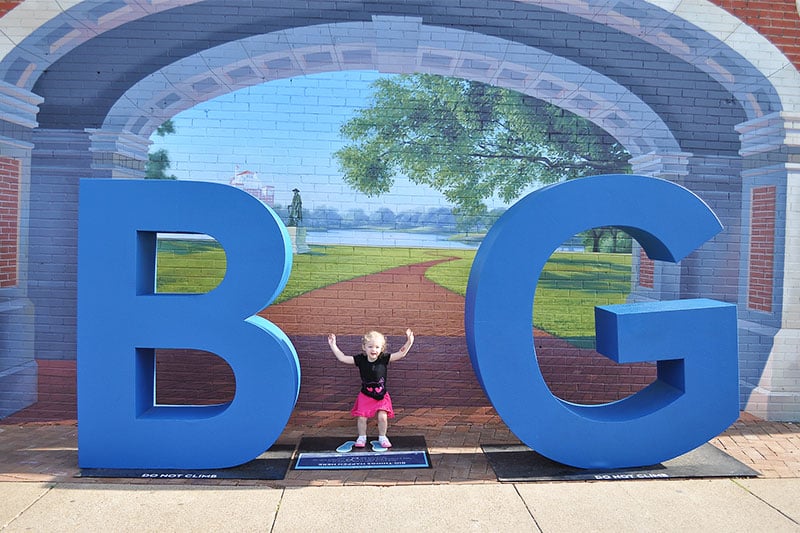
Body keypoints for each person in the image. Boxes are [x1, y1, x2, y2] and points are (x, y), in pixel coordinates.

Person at [328, 328, 414, 448]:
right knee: (362, 418)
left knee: (382, 417)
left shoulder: (383, 358)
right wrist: (333, 345)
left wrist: (409, 341)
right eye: (370, 347)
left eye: (377, 347)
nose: (374, 350)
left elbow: (401, 353)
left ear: (381, 348)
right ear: (364, 347)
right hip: (365, 395)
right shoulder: (361, 359)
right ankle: (362, 437)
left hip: (381, 395)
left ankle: (383, 437)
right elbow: (342, 358)